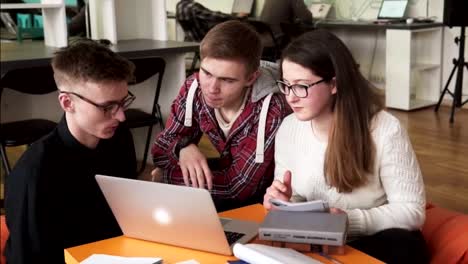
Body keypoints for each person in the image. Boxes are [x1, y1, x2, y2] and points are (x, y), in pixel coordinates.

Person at [263, 30, 428, 263]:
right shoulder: (288, 128)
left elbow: (412, 211)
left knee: (405, 244)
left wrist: (349, 221)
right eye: (286, 85)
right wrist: (283, 202)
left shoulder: (384, 128)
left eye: (301, 86)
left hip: (370, 239)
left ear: (333, 84)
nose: (290, 97)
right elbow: (296, 196)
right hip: (313, 238)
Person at [4, 40, 137, 264]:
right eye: (107, 107)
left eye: (124, 102)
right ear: (67, 103)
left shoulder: (118, 137)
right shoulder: (35, 172)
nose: (121, 116)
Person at [152, 20, 290, 212]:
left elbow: (239, 187)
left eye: (227, 80)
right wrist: (182, 148)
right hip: (220, 190)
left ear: (251, 78)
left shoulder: (272, 107)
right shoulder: (194, 86)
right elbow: (160, 151)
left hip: (264, 205)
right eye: (207, 73)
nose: (211, 88)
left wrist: (166, 177)